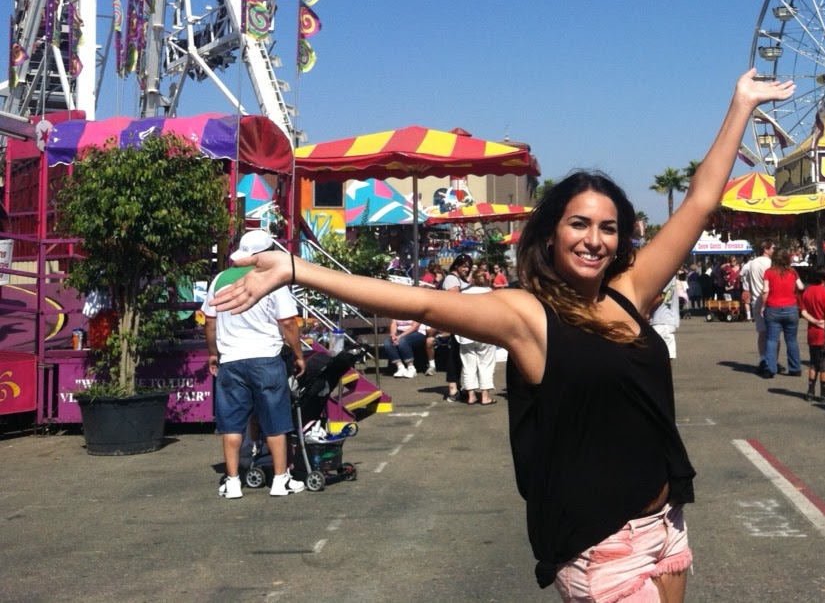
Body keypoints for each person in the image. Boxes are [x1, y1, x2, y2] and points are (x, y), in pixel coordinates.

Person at [212, 69, 794, 602]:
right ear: (550, 235)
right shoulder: (528, 315)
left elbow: (700, 199)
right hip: (602, 541)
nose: (595, 239)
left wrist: (740, 103)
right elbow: (419, 301)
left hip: (666, 527)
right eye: (579, 224)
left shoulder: (630, 293)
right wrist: (295, 269)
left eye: (609, 228)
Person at [201, 229, 306, 499]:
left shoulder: (219, 279)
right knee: (275, 421)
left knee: (232, 424)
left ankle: (233, 481)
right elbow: (288, 323)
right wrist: (298, 354)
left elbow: (210, 322)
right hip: (265, 359)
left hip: (231, 360)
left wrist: (213, 353)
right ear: (265, 254)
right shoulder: (273, 280)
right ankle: (281, 479)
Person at [759, 247, 802, 379]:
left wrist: (763, 305)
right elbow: (801, 287)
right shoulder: (792, 271)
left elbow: (765, 290)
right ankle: (795, 369)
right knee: (792, 340)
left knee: (772, 340)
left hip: (773, 308)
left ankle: (770, 369)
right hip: (791, 308)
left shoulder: (769, 272)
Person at [798, 265, 825, 403]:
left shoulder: (807, 292)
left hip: (812, 332)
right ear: (824, 278)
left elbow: (803, 312)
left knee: (813, 363)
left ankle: (810, 391)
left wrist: (815, 321)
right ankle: (824, 393)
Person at [436, 255, 473, 402]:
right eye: (463, 266)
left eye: (468, 266)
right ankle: (453, 389)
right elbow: (455, 300)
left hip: (460, 322)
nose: (466, 269)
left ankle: (457, 386)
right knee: (455, 355)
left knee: (459, 355)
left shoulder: (460, 278)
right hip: (456, 322)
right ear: (456, 265)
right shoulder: (452, 279)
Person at [458, 271, 497, 405]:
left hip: (466, 333)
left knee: (468, 365)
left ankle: (471, 395)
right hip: (486, 332)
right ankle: (485, 396)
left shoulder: (463, 293)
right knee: (486, 364)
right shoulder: (491, 293)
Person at [741, 240, 774, 365]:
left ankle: (763, 359)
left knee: (762, 332)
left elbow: (742, 275)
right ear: (766, 249)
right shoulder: (770, 263)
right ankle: (772, 361)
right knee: (773, 333)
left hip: (755, 299)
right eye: (773, 248)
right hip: (769, 299)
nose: (774, 251)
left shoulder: (751, 263)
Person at [649, 275, 682, 362]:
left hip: (661, 321)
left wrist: (646, 310)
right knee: (665, 358)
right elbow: (666, 297)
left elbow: (661, 296)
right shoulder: (670, 275)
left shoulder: (667, 275)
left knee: (661, 358)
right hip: (664, 320)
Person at [383, 313, 426, 378]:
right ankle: (400, 367)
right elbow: (394, 324)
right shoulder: (397, 311)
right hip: (400, 333)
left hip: (417, 332)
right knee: (388, 343)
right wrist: (393, 335)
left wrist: (400, 336)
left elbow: (415, 327)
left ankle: (411, 368)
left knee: (403, 341)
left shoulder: (416, 311)